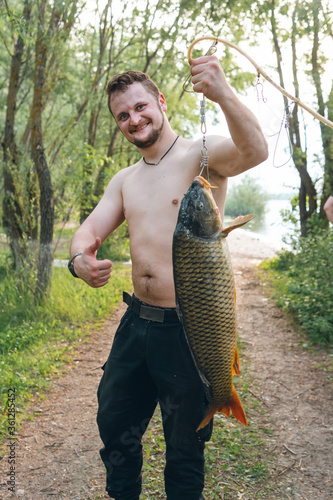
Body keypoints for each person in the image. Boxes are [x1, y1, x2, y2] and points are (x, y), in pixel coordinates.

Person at [68, 55, 268, 500]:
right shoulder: (125, 180)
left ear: (159, 101)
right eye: (123, 115)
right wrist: (79, 259)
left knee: (184, 448)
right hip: (135, 325)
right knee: (116, 430)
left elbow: (255, 151)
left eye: (140, 107)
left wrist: (223, 94)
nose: (133, 119)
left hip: (190, 331)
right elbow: (88, 231)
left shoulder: (202, 154)